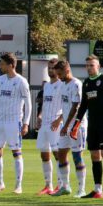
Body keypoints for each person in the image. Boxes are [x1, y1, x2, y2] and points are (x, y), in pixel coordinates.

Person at [75, 55, 103, 199]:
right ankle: (97, 189)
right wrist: (76, 123)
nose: (89, 68)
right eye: (87, 65)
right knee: (94, 155)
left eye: (91, 65)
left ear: (98, 66)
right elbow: (83, 105)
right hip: (92, 123)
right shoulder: (86, 83)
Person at [0, 53, 31, 194]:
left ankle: (18, 185)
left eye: (2, 64)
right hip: (0, 121)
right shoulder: (0, 80)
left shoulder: (21, 81)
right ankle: (0, 182)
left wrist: (25, 123)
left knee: (16, 152)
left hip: (14, 121)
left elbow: (28, 104)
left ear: (11, 65)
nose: (0, 66)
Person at [51, 60, 87, 197]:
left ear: (67, 71)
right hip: (66, 125)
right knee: (61, 154)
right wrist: (60, 120)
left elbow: (75, 106)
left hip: (77, 126)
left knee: (77, 155)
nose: (58, 77)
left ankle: (81, 189)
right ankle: (65, 186)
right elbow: (65, 107)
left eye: (60, 74)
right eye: (57, 74)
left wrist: (66, 125)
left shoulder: (76, 84)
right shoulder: (63, 85)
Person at [35, 58, 62, 195]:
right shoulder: (46, 86)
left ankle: (60, 184)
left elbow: (68, 106)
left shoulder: (62, 85)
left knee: (58, 154)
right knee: (44, 155)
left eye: (54, 67)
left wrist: (59, 119)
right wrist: (40, 116)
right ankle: (48, 185)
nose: (51, 70)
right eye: (49, 67)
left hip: (55, 124)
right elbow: (45, 104)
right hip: (45, 124)